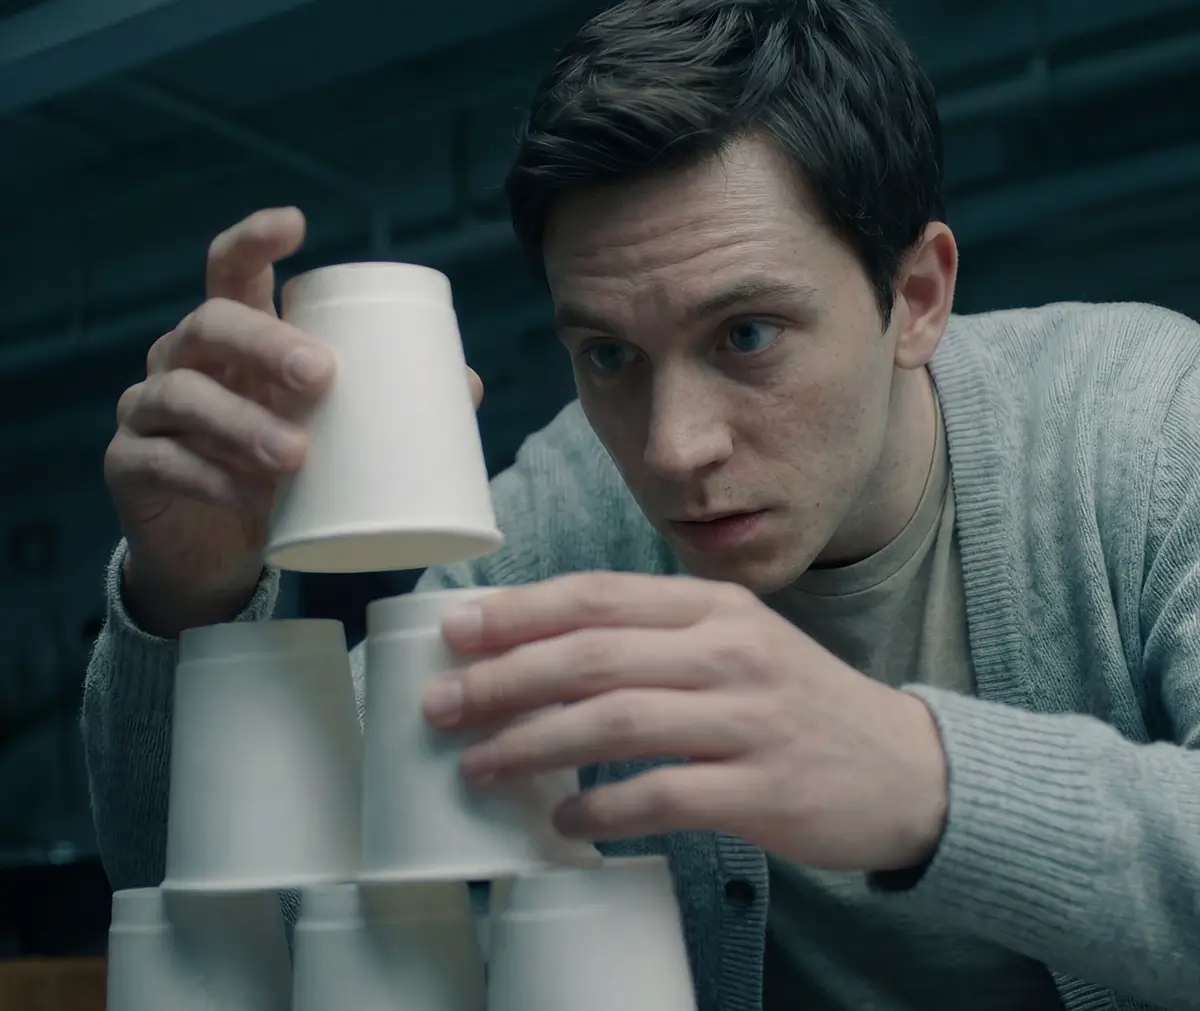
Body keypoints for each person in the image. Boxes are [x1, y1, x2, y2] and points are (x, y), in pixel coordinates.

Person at [82, 0, 1199, 1008]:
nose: (670, 450)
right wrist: (191, 599)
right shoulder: (569, 516)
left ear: (914, 298)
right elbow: (212, 892)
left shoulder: (1148, 426)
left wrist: (925, 777)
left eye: (746, 335)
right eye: (610, 354)